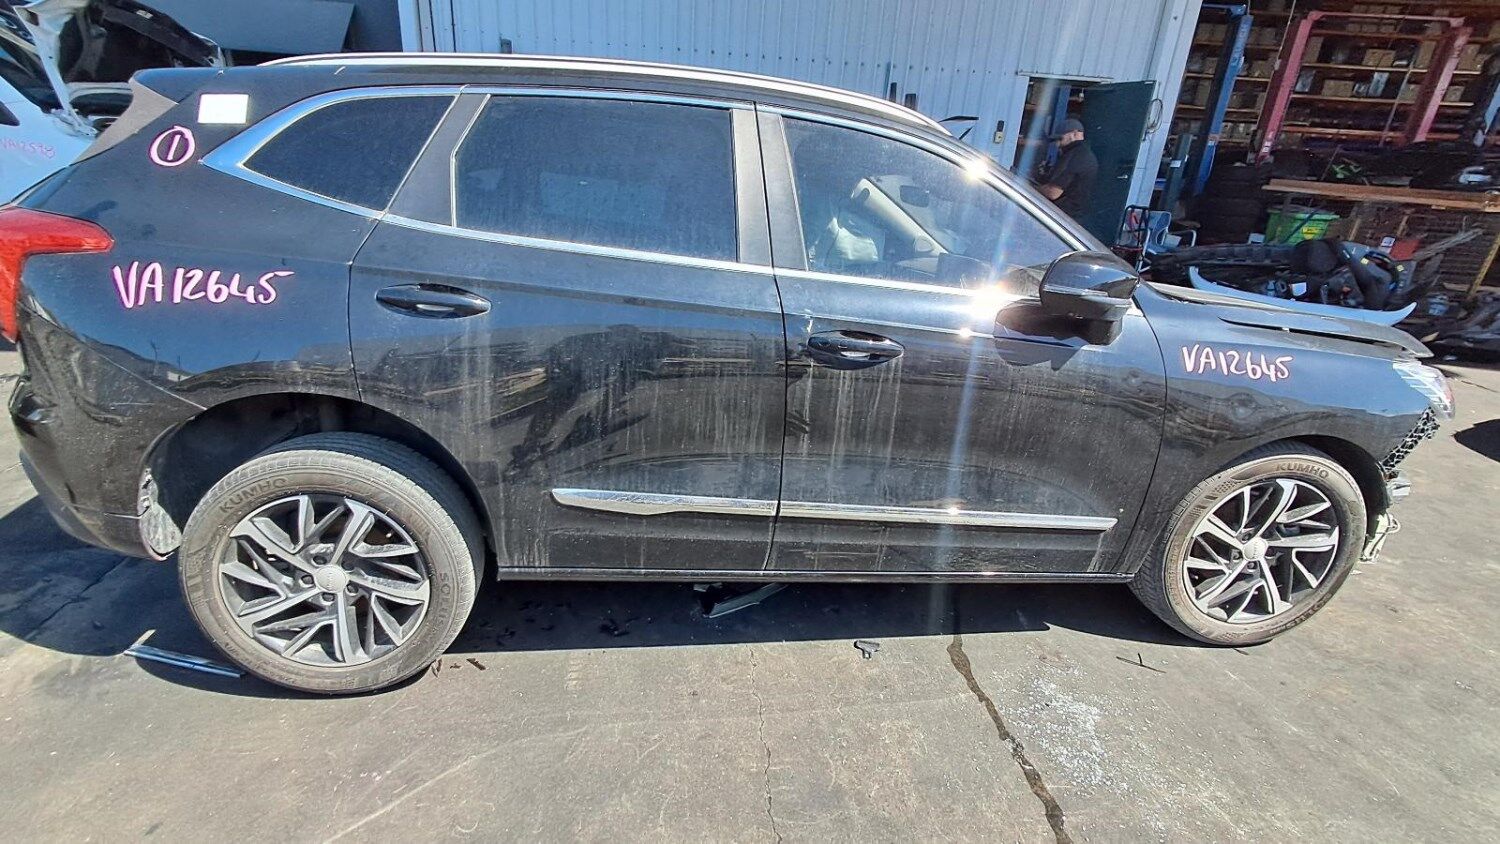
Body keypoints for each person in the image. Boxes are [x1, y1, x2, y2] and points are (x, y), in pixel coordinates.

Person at [1039, 117, 1098, 219]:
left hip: (1061, 215)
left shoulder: (1074, 156)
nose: (1057, 144)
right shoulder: (1086, 154)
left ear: (1074, 134)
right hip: (1073, 216)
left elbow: (1053, 192)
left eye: (1060, 139)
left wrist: (1035, 188)